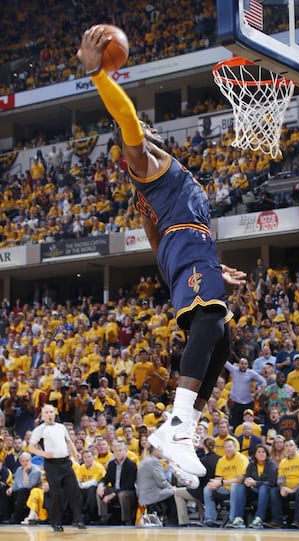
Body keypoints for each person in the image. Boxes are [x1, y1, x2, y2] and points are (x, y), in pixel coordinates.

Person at [77, 27, 246, 478]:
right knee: (210, 322)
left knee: (222, 339)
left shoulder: (153, 188)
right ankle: (176, 425)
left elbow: (156, 240)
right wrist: (97, 73)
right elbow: (127, 116)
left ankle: (180, 426)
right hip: (187, 251)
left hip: (189, 250)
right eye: (139, 128)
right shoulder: (143, 163)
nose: (146, 128)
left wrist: (203, 264)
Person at [28, 404, 86, 532]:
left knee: (74, 491)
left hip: (65, 462)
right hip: (52, 464)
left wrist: (75, 452)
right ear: (42, 415)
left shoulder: (61, 427)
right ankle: (56, 522)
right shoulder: (40, 429)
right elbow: (31, 447)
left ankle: (78, 520)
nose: (49, 414)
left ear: (55, 414)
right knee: (56, 494)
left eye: (51, 412)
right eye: (47, 412)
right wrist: (43, 454)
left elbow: (69, 441)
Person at [234, 443, 278, 529]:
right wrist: (246, 481)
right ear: (255, 454)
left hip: (267, 492)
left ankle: (259, 518)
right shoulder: (251, 465)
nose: (261, 454)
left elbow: (272, 482)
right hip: (254, 491)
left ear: (267, 454)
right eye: (259, 452)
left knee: (263, 488)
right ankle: (238, 518)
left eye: (263, 452)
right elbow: (247, 477)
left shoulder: (272, 464)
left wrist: (255, 483)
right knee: (240, 487)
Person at [96, 440, 137, 525]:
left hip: (128, 491)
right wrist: (101, 484)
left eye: (120, 450)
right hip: (115, 489)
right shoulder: (111, 464)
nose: (118, 453)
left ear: (125, 451)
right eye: (116, 451)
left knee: (122, 494)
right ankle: (104, 517)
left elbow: (129, 485)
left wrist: (112, 495)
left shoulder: (131, 464)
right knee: (99, 490)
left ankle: (127, 520)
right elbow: (106, 478)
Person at [136, 445, 178, 526]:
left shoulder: (146, 460)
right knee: (176, 492)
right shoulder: (155, 462)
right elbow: (161, 482)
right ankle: (173, 522)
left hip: (144, 495)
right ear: (155, 450)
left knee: (172, 492)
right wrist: (172, 488)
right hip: (151, 495)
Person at [5, 452, 42, 524]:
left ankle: (16, 518)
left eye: (27, 461)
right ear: (20, 462)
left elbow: (27, 486)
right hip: (20, 491)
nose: (25, 463)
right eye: (23, 461)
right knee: (6, 491)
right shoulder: (19, 469)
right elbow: (15, 483)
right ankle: (6, 516)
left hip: (31, 492)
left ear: (30, 461)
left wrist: (25, 472)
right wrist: (11, 489)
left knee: (22, 491)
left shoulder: (36, 471)